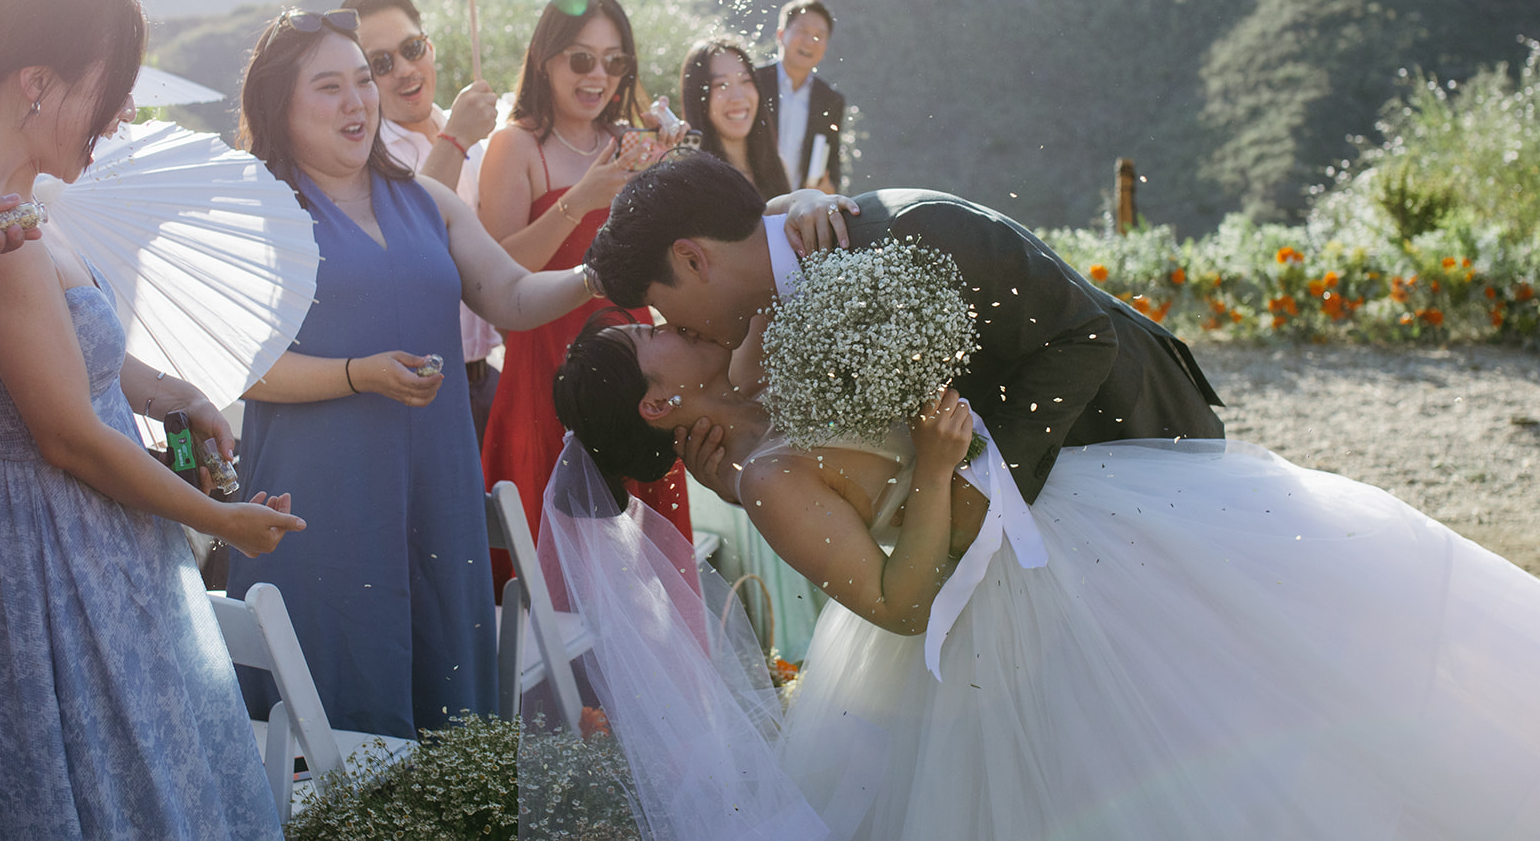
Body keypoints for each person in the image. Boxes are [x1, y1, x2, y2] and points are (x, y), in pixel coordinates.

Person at [551, 308, 1540, 840]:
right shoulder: (764, 477)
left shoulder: (754, 370)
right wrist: (935, 468)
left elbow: (759, 263)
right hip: (996, 608)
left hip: (1056, 514)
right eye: (652, 335)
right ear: (655, 403)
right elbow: (900, 602)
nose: (670, 321)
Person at [0, 0, 304, 839]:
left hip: (88, 544)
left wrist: (169, 390)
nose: (125, 114)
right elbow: (71, 438)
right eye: (114, 90)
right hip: (49, 561)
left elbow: (74, 356)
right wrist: (225, 524)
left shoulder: (13, 214)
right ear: (37, 83)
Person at [225, 5, 598, 739]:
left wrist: (597, 271)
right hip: (319, 502)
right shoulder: (261, 214)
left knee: (446, 717)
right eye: (328, 87)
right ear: (279, 106)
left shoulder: (427, 199)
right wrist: (359, 374)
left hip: (435, 487)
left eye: (362, 79)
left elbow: (514, 295)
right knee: (334, 727)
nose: (358, 100)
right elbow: (246, 365)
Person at [586, 150, 1224, 508]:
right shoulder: (774, 314)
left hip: (1135, 436)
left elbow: (1082, 337)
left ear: (692, 259)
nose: (674, 327)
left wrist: (987, 495)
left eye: (659, 307)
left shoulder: (910, 232)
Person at [477, 0, 690, 586]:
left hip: (639, 373)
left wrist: (669, 172)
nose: (598, 75)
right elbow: (497, 277)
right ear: (545, 60)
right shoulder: (513, 145)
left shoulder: (631, 144)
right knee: (551, 574)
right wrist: (581, 201)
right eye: (581, 59)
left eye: (614, 60)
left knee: (650, 568)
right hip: (545, 374)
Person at [343, 0, 504, 442]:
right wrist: (454, 140)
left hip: (486, 372)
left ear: (429, 46)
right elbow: (410, 237)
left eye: (412, 49)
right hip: (415, 391)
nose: (405, 70)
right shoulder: (365, 159)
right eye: (381, 64)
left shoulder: (480, 135)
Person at [754, 0, 845, 192]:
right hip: (749, 204)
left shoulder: (831, 100)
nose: (810, 41)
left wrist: (830, 188)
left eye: (819, 35)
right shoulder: (752, 82)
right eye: (802, 31)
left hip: (797, 215)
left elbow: (833, 165)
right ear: (780, 35)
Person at [683, 38, 792, 199]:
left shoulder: (778, 167)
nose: (738, 97)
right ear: (698, 97)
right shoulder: (689, 180)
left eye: (745, 81)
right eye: (721, 84)